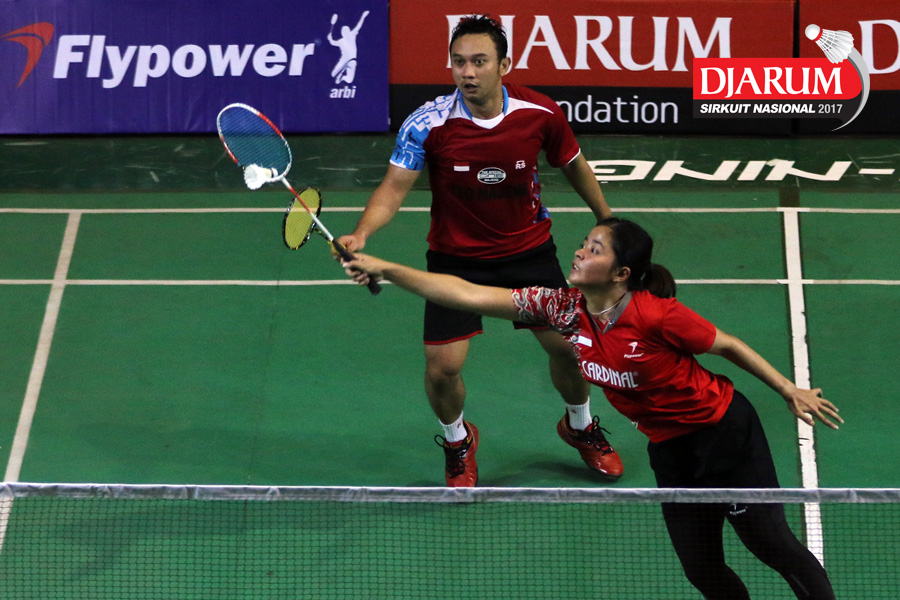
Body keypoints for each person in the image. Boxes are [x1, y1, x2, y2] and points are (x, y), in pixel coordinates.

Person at [341, 217, 842, 600]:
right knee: (701, 568)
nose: (580, 251)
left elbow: (727, 344)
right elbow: (467, 293)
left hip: (723, 434)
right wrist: (387, 268)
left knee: (770, 544)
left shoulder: (656, 315)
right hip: (669, 448)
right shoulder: (563, 308)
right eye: (584, 243)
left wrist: (788, 389)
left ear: (621, 273)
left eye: (595, 249)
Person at [336, 15, 622, 487]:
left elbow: (572, 162)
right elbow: (393, 187)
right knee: (442, 368)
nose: (467, 72)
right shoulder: (428, 123)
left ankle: (579, 425)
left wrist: (606, 218)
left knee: (572, 350)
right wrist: (362, 233)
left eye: (479, 61)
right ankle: (457, 440)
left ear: (504, 65)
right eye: (458, 62)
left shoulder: (539, 113)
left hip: (528, 251)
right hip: (456, 260)